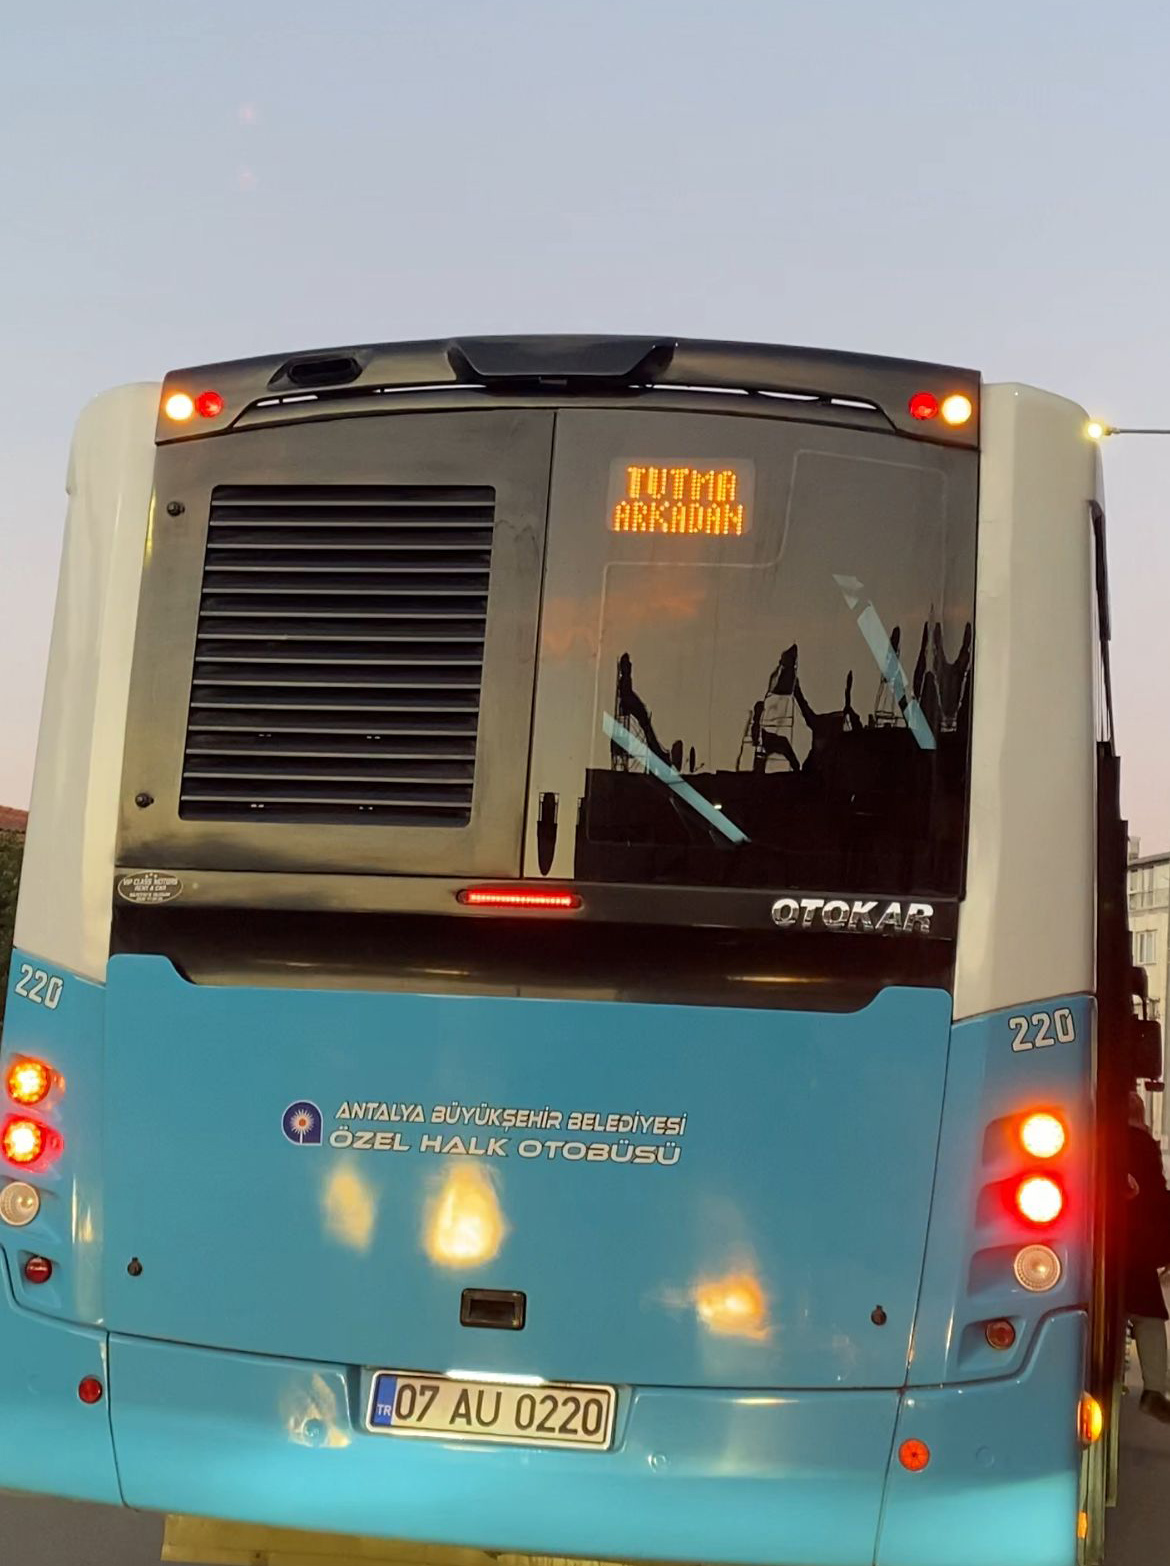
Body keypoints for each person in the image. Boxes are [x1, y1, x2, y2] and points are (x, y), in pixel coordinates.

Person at [1124, 1092, 1170, 1421]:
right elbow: (1155, 1196)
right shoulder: (1139, 1142)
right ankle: (1154, 1390)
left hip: (1119, 1243)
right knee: (1149, 1317)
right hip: (1133, 1246)